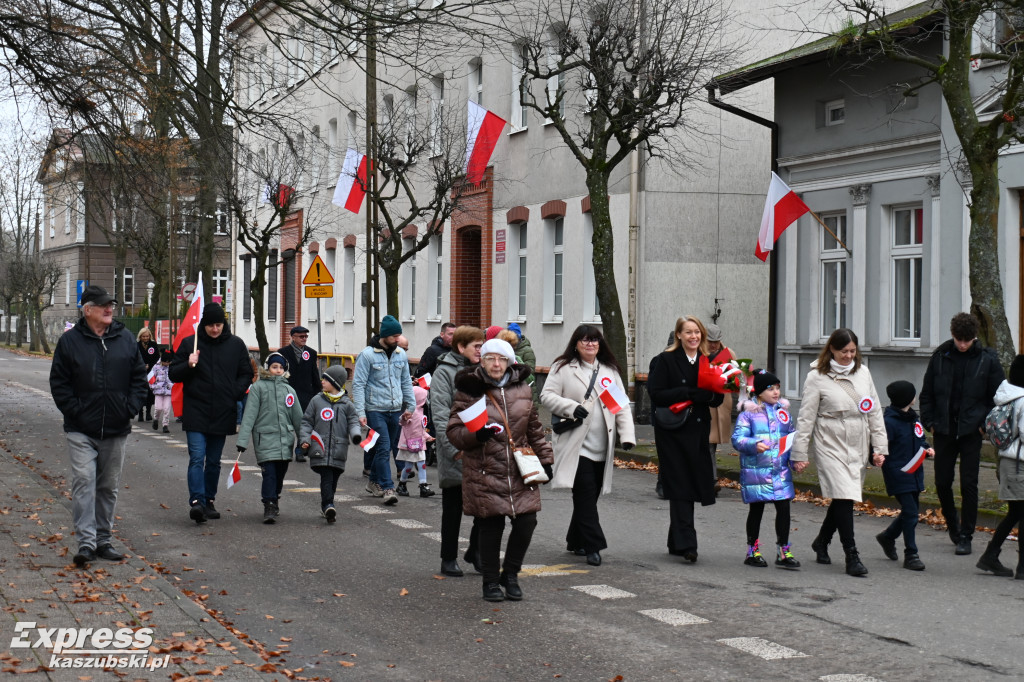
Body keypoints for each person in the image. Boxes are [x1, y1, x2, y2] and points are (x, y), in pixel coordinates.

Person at [447, 338, 554, 602]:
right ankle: (491, 583)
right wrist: (477, 434)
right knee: (491, 527)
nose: (496, 364)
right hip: (485, 469)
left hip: (519, 469)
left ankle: (511, 575)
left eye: (501, 359)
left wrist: (546, 460)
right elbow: (454, 431)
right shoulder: (469, 389)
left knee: (527, 522)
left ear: (509, 362)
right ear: (481, 361)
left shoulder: (523, 389)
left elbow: (534, 430)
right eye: (490, 358)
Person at [50, 285, 149, 567]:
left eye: (112, 305)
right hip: (81, 429)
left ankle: (103, 540)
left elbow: (139, 379)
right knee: (84, 483)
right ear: (87, 309)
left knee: (107, 486)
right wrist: (76, 412)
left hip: (116, 429)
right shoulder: (70, 342)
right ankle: (86, 543)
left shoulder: (126, 339)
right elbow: (59, 383)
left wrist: (129, 409)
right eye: (103, 305)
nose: (109, 309)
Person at [791, 328, 887, 577]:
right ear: (831, 350)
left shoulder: (863, 372)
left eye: (853, 351)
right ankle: (851, 554)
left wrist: (880, 447)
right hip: (830, 439)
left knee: (844, 495)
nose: (849, 356)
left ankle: (822, 540)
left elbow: (874, 411)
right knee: (844, 494)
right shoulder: (817, 377)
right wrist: (800, 453)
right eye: (844, 351)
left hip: (858, 439)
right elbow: (806, 417)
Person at [541, 324, 635, 567]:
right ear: (576, 344)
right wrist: (571, 407)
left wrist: (627, 436)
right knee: (583, 493)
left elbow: (620, 406)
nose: (590, 344)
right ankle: (594, 545)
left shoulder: (608, 371)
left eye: (594, 340)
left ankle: (575, 539)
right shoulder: (563, 368)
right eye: (585, 340)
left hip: (602, 444)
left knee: (589, 497)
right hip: (576, 444)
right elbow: (547, 396)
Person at [919, 312, 1004, 555]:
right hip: (944, 430)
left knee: (969, 484)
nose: (963, 344)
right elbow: (927, 393)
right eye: (959, 339)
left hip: (971, 431)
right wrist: (929, 422)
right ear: (953, 335)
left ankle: (966, 535)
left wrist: (984, 425)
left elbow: (998, 398)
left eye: (967, 340)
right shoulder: (940, 356)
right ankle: (952, 527)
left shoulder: (987, 360)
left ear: (974, 337)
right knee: (942, 482)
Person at [646, 315, 724, 563]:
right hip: (673, 431)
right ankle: (688, 543)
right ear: (678, 335)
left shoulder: (707, 361)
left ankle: (675, 540)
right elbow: (656, 394)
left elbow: (717, 399)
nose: (694, 337)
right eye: (688, 332)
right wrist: (690, 393)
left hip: (698, 429)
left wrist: (711, 394)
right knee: (680, 483)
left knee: (690, 483)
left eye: (697, 333)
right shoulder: (666, 360)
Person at [170, 302, 253, 524]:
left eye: (218, 325)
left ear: (223, 324)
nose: (214, 329)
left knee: (214, 461)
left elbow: (246, 373)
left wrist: (235, 393)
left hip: (222, 411)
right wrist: (188, 364)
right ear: (203, 325)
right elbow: (173, 375)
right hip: (196, 411)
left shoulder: (236, 345)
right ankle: (197, 502)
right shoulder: (190, 344)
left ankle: (209, 499)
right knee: (197, 457)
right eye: (210, 325)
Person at [431, 325, 485, 577]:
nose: (481, 350)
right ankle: (448, 558)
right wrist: (454, 448)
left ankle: (475, 551)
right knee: (453, 508)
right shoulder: (444, 373)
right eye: (477, 346)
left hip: (483, 448)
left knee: (485, 505)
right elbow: (440, 415)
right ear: (461, 347)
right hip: (457, 449)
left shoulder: (484, 370)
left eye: (483, 345)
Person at [731, 370, 799, 569]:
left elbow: (792, 437)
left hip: (781, 471)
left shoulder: (783, 413)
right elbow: (738, 439)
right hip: (757, 472)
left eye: (778, 388)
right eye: (770, 389)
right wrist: (754, 444)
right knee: (756, 510)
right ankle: (752, 549)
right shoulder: (748, 414)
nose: (776, 392)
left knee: (784, 509)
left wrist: (796, 459)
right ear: (759, 392)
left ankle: (783, 550)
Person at [351, 315, 415, 506]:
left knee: (386, 448)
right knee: (383, 447)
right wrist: (360, 412)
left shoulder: (400, 355)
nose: (397, 339)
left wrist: (410, 406)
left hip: (395, 409)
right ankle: (388, 487)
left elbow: (405, 381)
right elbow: (358, 384)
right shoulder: (367, 355)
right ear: (385, 335)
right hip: (374, 410)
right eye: (394, 336)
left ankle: (373, 482)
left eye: (399, 336)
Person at [236, 352, 304, 523]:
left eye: (281, 367)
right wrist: (242, 441)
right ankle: (269, 504)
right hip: (264, 438)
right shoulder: (258, 388)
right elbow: (249, 415)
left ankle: (275, 497)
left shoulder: (289, 390)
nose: (278, 370)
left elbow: (298, 418)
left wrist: (304, 439)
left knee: (280, 473)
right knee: (269, 474)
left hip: (285, 440)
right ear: (268, 368)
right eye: (274, 367)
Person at [976, 355, 1024, 579]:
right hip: (1019, 464)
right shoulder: (1023, 400)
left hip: (1010, 462)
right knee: (1018, 512)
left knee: (1017, 512)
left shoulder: (1007, 396)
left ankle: (995, 556)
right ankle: (993, 556)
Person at [877, 380, 933, 571]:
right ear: (908, 398)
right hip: (898, 473)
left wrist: (926, 448)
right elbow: (881, 447)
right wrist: (878, 457)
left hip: (915, 471)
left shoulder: (914, 419)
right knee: (910, 512)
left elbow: (920, 439)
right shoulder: (889, 422)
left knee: (911, 512)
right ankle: (911, 554)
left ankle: (888, 536)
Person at [300, 365, 360, 523]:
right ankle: (328, 505)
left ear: (335, 383)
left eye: (326, 379)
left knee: (334, 477)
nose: (322, 381)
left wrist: (356, 435)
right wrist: (305, 440)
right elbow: (307, 422)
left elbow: (354, 421)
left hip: (339, 448)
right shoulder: (316, 400)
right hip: (320, 447)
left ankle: (327, 504)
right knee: (326, 476)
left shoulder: (347, 404)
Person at [278, 326, 320, 462]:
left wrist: (318, 394)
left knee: (303, 425)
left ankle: (300, 451)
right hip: (287, 394)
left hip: (305, 395)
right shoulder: (282, 353)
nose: (304, 339)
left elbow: (314, 374)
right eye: (301, 336)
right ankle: (284, 450)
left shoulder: (311, 353)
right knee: (286, 424)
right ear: (293, 337)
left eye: (306, 336)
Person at [705, 323, 735, 493]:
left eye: (716, 341)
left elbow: (738, 379)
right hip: (705, 405)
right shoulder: (699, 354)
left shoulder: (728, 354)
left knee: (711, 445)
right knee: (706, 444)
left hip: (721, 405)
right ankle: (711, 479)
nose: (713, 345)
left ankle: (710, 479)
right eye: (710, 341)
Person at [396, 381, 435, 497]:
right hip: (409, 444)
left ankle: (423, 486)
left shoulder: (421, 412)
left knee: (422, 464)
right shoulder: (410, 412)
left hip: (419, 444)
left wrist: (427, 437)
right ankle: (402, 484)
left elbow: (420, 429)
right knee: (408, 466)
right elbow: (402, 422)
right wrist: (403, 417)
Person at [136, 327, 160, 423]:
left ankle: (148, 413)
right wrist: (141, 365)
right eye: (143, 336)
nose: (145, 338)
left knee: (150, 392)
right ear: (140, 337)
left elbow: (157, 358)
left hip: (151, 372)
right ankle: (140, 413)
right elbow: (133, 357)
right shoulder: (136, 345)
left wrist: (150, 365)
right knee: (140, 392)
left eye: (147, 336)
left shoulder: (153, 345)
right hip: (139, 372)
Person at [151, 350, 174, 433]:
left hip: (168, 391)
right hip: (158, 390)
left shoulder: (172, 367)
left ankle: (165, 425)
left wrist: (173, 386)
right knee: (158, 408)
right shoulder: (156, 367)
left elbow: (175, 378)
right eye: (166, 362)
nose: (167, 364)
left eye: (169, 362)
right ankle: (156, 419)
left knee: (166, 409)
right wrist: (153, 386)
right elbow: (150, 378)